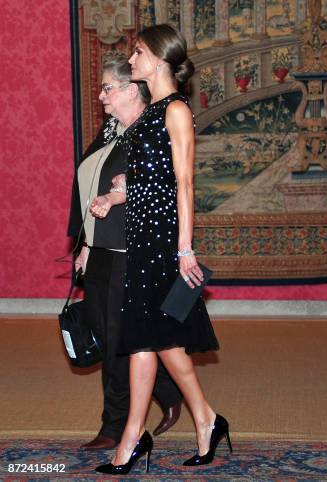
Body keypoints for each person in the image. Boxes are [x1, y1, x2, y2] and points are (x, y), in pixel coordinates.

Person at [95, 24, 227, 475]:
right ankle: (194, 421)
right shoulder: (150, 112)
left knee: (155, 340)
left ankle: (140, 436)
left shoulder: (176, 111)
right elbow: (153, 180)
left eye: (137, 53)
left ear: (158, 57)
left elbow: (185, 184)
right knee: (149, 341)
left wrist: (185, 250)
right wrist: (121, 190)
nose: (131, 60)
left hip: (165, 244)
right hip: (141, 237)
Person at [67, 56, 184, 451]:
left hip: (132, 248)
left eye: (107, 88)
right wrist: (84, 243)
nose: (101, 96)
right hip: (101, 246)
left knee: (119, 337)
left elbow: (163, 184)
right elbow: (92, 184)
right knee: (105, 332)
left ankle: (115, 426)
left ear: (132, 90)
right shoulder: (111, 130)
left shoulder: (150, 129)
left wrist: (121, 192)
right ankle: (167, 392)